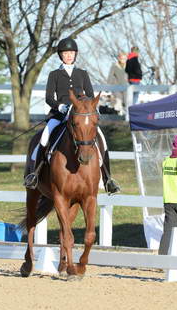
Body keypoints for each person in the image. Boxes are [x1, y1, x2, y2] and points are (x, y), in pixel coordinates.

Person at [24, 37, 119, 194]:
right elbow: (49, 98)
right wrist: (60, 106)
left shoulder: (82, 73)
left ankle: (108, 179)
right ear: (61, 55)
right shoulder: (54, 74)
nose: (69, 56)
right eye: (65, 53)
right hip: (60, 115)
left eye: (71, 53)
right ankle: (35, 173)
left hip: (80, 115)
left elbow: (89, 95)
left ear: (75, 55)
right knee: (44, 136)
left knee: (101, 138)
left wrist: (86, 106)